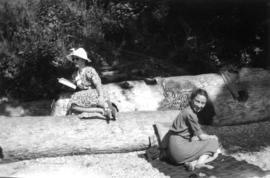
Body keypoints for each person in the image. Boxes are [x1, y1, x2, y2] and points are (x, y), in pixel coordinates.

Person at [166, 88, 221, 170]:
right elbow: (202, 136)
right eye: (197, 101)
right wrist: (212, 137)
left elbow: (195, 135)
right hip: (179, 151)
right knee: (214, 143)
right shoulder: (191, 114)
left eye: (202, 103)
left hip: (172, 152)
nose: (199, 105)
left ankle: (191, 163)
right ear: (191, 99)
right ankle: (199, 163)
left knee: (196, 139)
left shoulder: (186, 110)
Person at [66, 47, 116, 121]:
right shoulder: (75, 74)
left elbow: (98, 84)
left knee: (74, 99)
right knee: (72, 105)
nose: (74, 61)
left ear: (83, 60)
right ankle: (100, 110)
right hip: (84, 96)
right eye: (73, 59)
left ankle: (106, 107)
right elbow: (76, 87)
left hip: (96, 92)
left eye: (77, 59)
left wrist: (101, 96)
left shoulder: (89, 70)